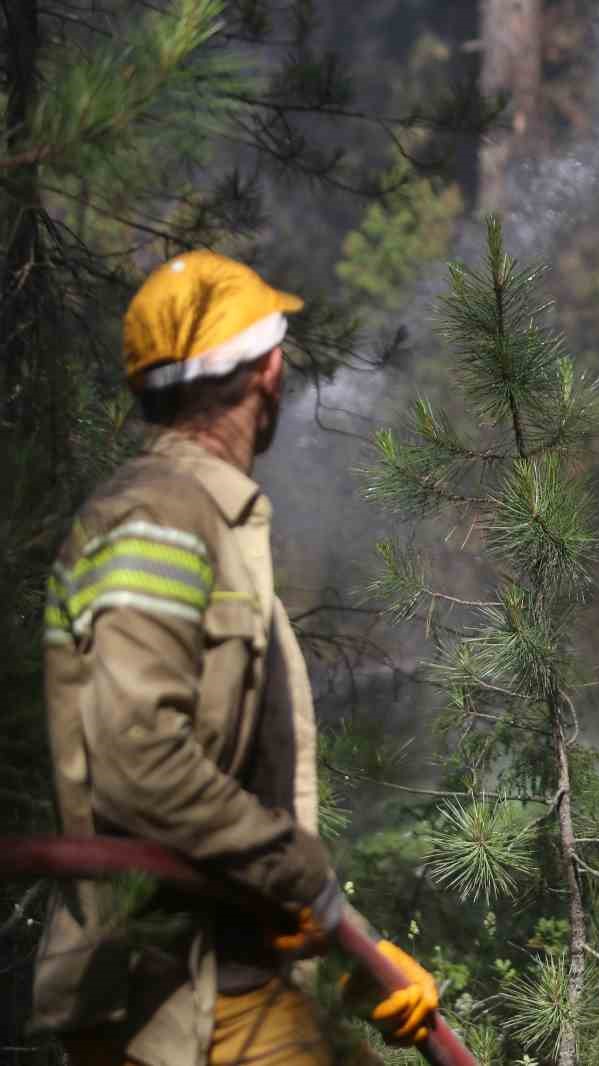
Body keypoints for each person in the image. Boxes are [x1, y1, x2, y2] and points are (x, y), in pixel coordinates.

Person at [33, 251, 438, 1066]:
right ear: (270, 371)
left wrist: (350, 949)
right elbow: (139, 763)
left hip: (235, 982)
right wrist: (300, 873)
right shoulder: (160, 516)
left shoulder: (204, 516)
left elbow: (237, 786)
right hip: (168, 1004)